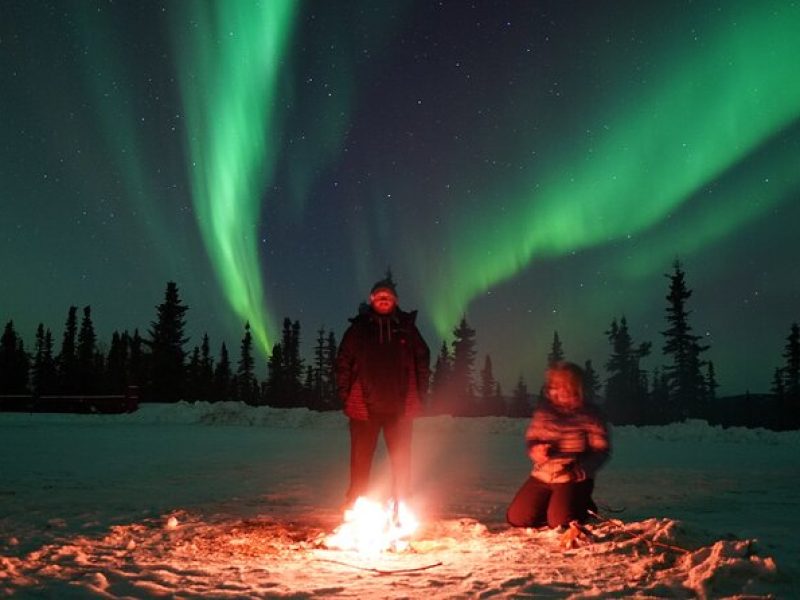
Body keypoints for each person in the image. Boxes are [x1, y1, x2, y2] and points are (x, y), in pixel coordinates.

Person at [335, 275, 430, 510]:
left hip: (399, 408)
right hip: (364, 408)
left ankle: (402, 502)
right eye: (379, 296)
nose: (384, 299)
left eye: (388, 296)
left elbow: (422, 359)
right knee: (360, 461)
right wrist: (346, 395)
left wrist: (419, 393)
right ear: (372, 299)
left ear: (395, 300)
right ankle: (356, 503)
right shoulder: (358, 330)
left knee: (401, 461)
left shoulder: (406, 329)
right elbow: (342, 363)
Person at [507, 361, 610, 529]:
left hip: (573, 477)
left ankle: (580, 504)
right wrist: (537, 451)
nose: (559, 390)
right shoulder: (545, 412)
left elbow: (602, 450)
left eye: (564, 386)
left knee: (560, 523)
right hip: (543, 474)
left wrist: (581, 469)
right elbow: (532, 439)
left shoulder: (590, 414)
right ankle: (555, 504)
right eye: (555, 385)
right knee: (518, 519)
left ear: (576, 387)